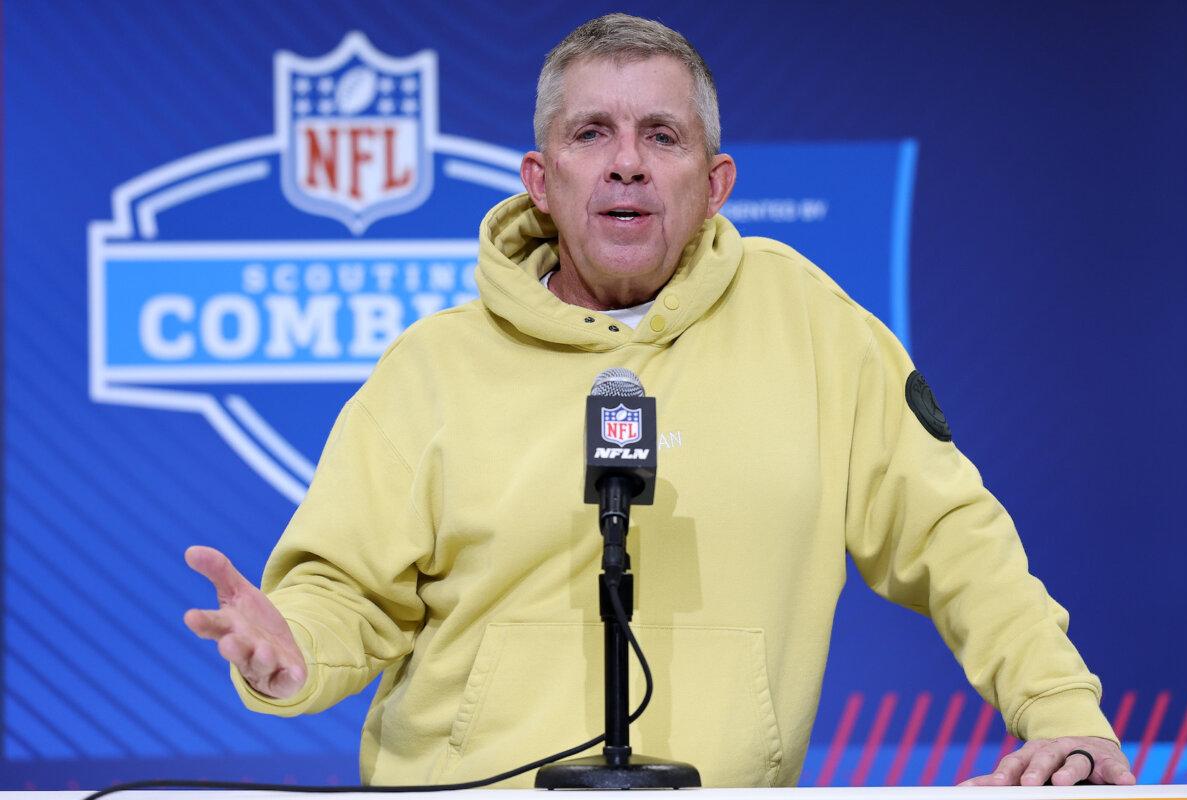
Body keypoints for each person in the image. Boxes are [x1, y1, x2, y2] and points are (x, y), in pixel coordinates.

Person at [184, 13, 1134, 789]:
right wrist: (295, 648)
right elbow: (343, 591)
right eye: (591, 133)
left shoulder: (809, 324)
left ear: (714, 183)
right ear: (541, 181)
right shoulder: (431, 368)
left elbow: (953, 538)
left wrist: (1059, 712)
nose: (627, 162)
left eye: (662, 136)